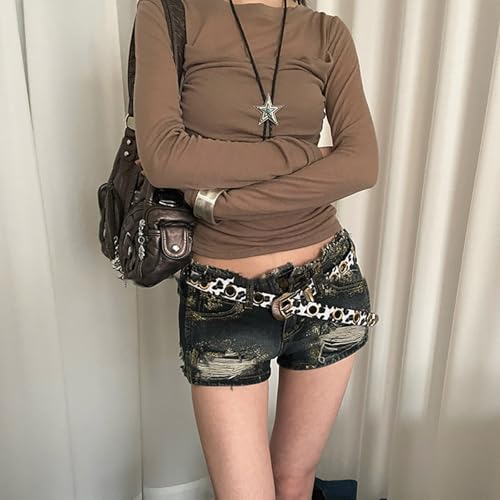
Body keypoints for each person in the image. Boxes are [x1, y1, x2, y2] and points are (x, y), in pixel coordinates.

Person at [134, 0, 380, 498]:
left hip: (328, 283)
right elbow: (164, 157)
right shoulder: (168, 12)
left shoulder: (327, 33)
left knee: (295, 481)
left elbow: (361, 164)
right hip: (223, 298)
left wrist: (222, 203)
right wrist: (304, 155)